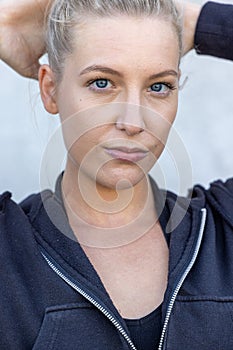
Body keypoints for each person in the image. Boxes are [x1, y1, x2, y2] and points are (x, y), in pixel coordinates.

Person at [0, 1, 233, 350]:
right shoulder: (8, 251)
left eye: (159, 87)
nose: (134, 122)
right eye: (102, 82)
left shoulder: (222, 233)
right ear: (50, 89)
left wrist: (200, 22)